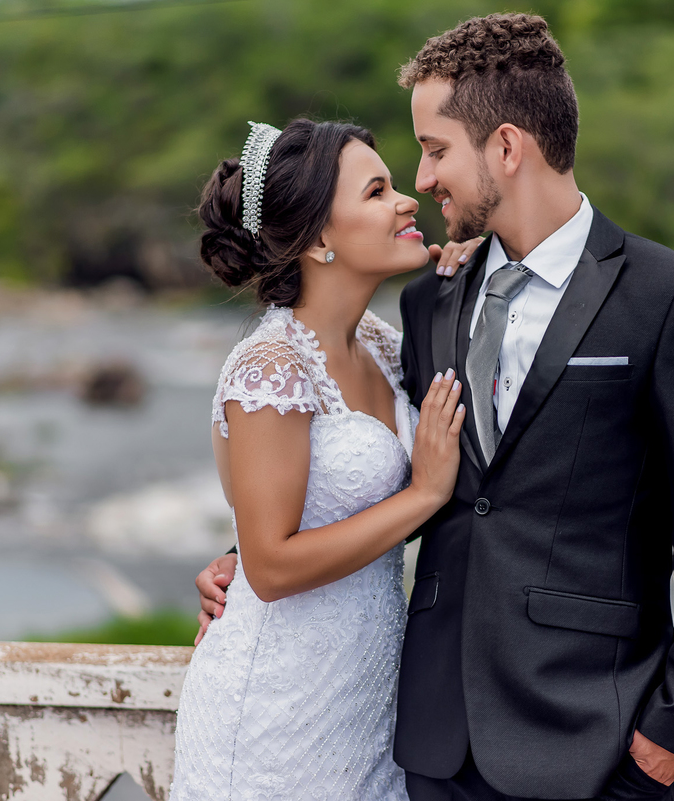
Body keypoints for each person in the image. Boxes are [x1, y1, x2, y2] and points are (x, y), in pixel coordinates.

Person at [197, 14, 674, 801]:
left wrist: (672, 733)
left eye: (434, 151)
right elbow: (375, 471)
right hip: (429, 744)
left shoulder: (671, 298)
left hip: (592, 744)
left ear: (505, 148)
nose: (422, 180)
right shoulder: (429, 303)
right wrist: (244, 555)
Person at [168, 117, 482, 801]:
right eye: (377, 192)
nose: (407, 201)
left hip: (366, 699)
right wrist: (422, 495)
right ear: (317, 240)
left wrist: (473, 272)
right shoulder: (270, 366)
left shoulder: (385, 345)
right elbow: (271, 568)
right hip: (274, 709)